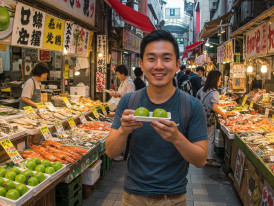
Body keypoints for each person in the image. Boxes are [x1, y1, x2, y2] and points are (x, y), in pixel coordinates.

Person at [106, 30, 208, 206]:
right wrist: (123, 130)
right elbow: (111, 152)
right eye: (151, 59)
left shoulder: (192, 106)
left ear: (177, 65)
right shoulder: (129, 101)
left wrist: (176, 138)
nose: (159, 66)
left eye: (166, 59)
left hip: (174, 199)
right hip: (132, 198)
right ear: (142, 64)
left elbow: (200, 160)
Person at [197, 70, 227, 167]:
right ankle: (209, 159)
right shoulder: (214, 92)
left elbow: (197, 98)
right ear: (215, 79)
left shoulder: (203, 89)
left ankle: (203, 156)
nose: (220, 80)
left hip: (201, 116)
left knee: (204, 137)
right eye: (219, 78)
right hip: (209, 118)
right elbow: (214, 107)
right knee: (210, 138)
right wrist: (223, 114)